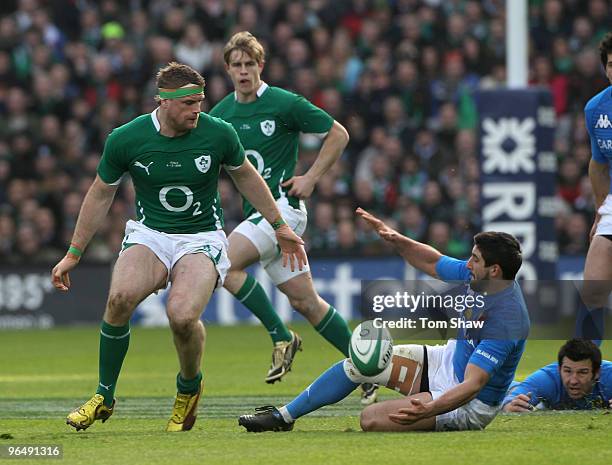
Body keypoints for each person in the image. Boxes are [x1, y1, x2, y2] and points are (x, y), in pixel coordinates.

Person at [51, 62, 307, 432]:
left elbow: (247, 178)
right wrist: (73, 254)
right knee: (119, 299)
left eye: (200, 101)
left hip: (201, 236)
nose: (197, 110)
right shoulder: (127, 138)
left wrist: (279, 226)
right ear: (164, 103)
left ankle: (188, 389)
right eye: (189, 103)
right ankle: (104, 396)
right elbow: (100, 194)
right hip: (150, 233)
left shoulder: (218, 133)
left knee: (183, 316)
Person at [238, 208, 530, 432]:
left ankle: (434, 421)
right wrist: (396, 239)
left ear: (494, 271)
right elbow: (431, 261)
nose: (467, 264)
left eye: (475, 260)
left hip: (469, 403)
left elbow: (472, 385)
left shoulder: (507, 319)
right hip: (449, 360)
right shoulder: (476, 275)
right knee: (363, 362)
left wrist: (430, 410)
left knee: (370, 420)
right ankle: (283, 416)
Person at [208, 32, 369, 398]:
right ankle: (366, 368)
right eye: (238, 65)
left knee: (223, 263)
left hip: (284, 209)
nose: (244, 71)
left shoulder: (283, 103)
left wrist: (311, 177)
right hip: (258, 218)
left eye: (251, 64)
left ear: (261, 66)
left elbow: (338, 134)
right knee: (306, 303)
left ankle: (281, 336)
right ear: (228, 69)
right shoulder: (220, 115)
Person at [580, 32, 612, 340]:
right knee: (592, 293)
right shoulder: (596, 109)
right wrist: (600, 212)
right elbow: (599, 163)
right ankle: (586, 378)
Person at [503, 339, 612, 411]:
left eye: (582, 372)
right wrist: (509, 406)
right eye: (567, 371)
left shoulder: (609, 376)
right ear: (559, 369)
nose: (573, 381)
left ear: (597, 372)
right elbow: (511, 400)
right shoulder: (547, 379)